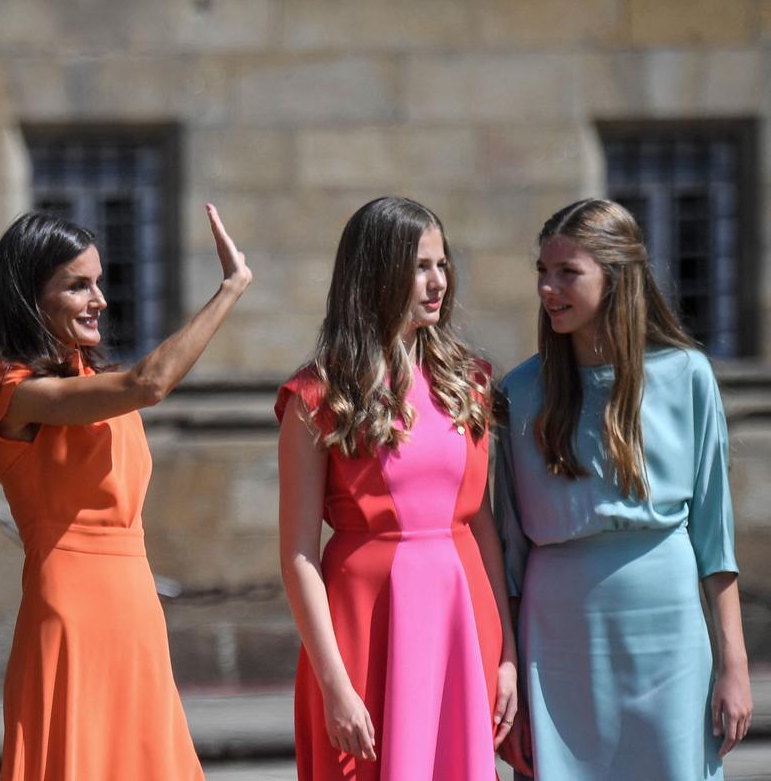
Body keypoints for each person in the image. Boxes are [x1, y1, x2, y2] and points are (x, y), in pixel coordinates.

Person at [0, 205, 251, 780]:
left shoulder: (88, 378)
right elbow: (149, 384)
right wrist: (229, 289)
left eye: (98, 282)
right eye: (78, 286)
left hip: (133, 601)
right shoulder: (13, 390)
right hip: (70, 606)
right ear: (31, 296)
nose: (99, 299)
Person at [494, 198, 754, 780]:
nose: (547, 288)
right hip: (557, 636)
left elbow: (715, 537)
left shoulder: (688, 375)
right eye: (542, 270)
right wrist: (507, 665)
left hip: (670, 629)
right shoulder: (519, 391)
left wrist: (733, 665)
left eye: (568, 273)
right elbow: (509, 554)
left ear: (616, 277)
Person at [277, 197, 518, 780]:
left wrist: (508, 653)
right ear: (376, 274)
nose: (437, 282)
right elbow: (298, 554)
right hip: (363, 626)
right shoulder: (317, 397)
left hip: (463, 620)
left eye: (442, 264)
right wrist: (333, 683)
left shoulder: (471, 383)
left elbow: (481, 523)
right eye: (419, 267)